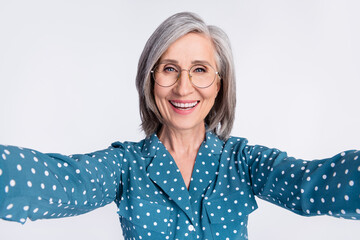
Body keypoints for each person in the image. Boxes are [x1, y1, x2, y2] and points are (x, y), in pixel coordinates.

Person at [0, 12, 359, 240]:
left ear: (220, 84)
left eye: (200, 70)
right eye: (169, 69)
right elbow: (64, 182)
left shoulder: (243, 163)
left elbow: (312, 183)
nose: (184, 87)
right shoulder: (126, 166)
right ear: (150, 80)